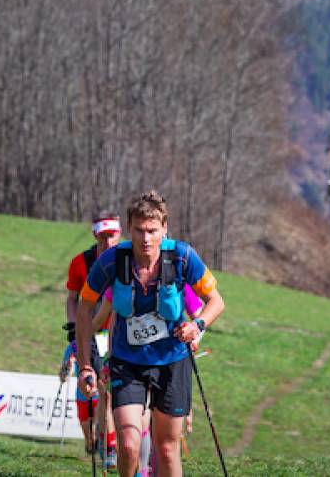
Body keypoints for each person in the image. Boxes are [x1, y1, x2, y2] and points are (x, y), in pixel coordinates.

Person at [76, 190, 225, 477]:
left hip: (172, 361)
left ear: (164, 229)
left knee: (167, 448)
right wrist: (86, 366)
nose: (145, 239)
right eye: (139, 231)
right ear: (129, 229)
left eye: (152, 231)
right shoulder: (110, 261)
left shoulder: (182, 256)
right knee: (129, 444)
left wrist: (197, 326)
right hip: (127, 362)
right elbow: (84, 311)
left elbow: (216, 302)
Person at [61, 210, 122, 468]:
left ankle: (110, 445)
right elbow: (72, 298)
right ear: (95, 235)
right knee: (94, 387)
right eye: (102, 237)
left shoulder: (128, 258)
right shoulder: (80, 263)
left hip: (120, 333)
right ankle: (99, 441)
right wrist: (76, 329)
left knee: (109, 393)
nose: (107, 243)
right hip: (93, 334)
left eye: (112, 236)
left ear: (120, 234)